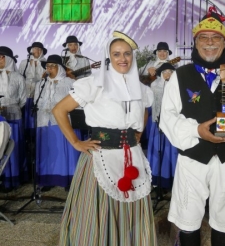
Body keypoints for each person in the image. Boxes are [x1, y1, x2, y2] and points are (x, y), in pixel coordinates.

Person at [53, 31, 157, 245]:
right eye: (117, 54)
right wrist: (75, 142)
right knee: (98, 211)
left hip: (132, 156)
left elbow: (144, 109)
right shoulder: (94, 84)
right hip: (100, 155)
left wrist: (138, 131)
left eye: (127, 54)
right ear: (108, 56)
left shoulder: (141, 88)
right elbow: (59, 110)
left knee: (131, 209)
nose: (123, 59)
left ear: (133, 57)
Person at [160, 8, 225, 246]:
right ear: (195, 42)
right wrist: (195, 131)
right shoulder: (180, 76)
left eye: (216, 38)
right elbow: (167, 117)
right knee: (188, 218)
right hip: (192, 158)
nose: (210, 43)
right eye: (204, 38)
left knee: (224, 219)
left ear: (224, 43)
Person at [34, 55, 80, 189]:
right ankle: (48, 179)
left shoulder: (69, 82)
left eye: (52, 66)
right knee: (48, 152)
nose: (49, 69)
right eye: (47, 66)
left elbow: (76, 102)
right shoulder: (41, 84)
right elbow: (38, 101)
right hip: (44, 122)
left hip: (62, 121)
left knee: (63, 150)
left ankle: (68, 179)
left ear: (59, 68)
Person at [0, 46, 27, 189]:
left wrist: (12, 106)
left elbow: (23, 99)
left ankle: (15, 178)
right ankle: (2, 177)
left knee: (13, 145)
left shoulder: (18, 77)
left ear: (9, 59)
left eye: (1, 57)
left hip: (14, 113)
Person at [147, 62, 178, 189]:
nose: (168, 74)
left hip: (173, 124)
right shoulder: (155, 85)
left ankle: (172, 179)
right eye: (165, 72)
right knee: (158, 150)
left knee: (172, 152)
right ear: (161, 73)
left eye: (170, 72)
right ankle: (157, 179)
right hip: (158, 123)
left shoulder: (177, 85)